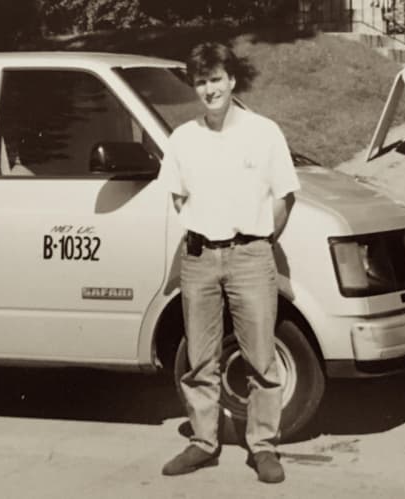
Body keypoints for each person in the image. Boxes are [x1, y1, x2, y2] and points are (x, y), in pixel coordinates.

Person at [159, 41, 299, 484]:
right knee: (200, 358)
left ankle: (263, 447)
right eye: (200, 81)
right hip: (200, 256)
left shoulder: (264, 132)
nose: (208, 89)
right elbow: (178, 195)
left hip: (251, 256)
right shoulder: (184, 138)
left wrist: (258, 242)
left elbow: (285, 196)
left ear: (232, 80)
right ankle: (203, 442)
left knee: (261, 357)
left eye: (215, 79)